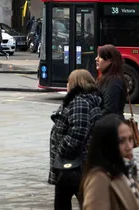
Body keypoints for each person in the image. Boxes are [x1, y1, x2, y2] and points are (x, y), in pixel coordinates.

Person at [79, 115, 139, 210]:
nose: (129, 146)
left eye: (130, 139)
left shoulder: (128, 171)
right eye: (121, 141)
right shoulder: (99, 178)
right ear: (108, 144)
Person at [48, 69, 103, 210]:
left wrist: (62, 150)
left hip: (74, 165)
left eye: (69, 81)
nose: (67, 84)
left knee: (63, 202)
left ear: (75, 83)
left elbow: (78, 132)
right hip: (79, 163)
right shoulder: (86, 100)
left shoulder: (79, 102)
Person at [95, 45, 127, 118]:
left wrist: (93, 119)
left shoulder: (113, 81)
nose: (96, 59)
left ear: (110, 60)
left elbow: (109, 109)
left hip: (110, 123)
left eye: (100, 57)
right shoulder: (106, 78)